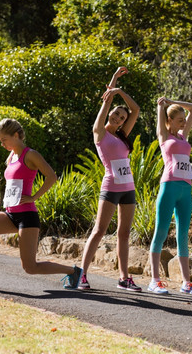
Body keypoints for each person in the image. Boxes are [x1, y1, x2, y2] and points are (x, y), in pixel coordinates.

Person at [0, 118, 82, 290]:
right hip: (10, 213)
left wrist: (34, 197)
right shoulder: (11, 156)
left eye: (4, 140)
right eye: (0, 141)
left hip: (27, 216)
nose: (2, 144)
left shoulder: (30, 154)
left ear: (16, 135)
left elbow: (52, 176)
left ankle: (73, 271)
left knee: (30, 267)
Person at [78, 67, 141, 291]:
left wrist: (121, 91)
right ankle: (81, 275)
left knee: (124, 233)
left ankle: (124, 278)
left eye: (121, 118)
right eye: (116, 114)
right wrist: (112, 84)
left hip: (128, 187)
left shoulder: (122, 135)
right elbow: (104, 109)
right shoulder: (100, 133)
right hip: (111, 186)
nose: (118, 118)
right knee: (99, 230)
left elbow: (136, 109)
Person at [147, 97, 192, 296]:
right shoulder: (164, 136)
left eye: (184, 120)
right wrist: (161, 106)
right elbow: (160, 114)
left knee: (183, 235)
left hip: (185, 189)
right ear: (169, 121)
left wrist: (172, 100)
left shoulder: (183, 136)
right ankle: (155, 280)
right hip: (169, 186)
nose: (184, 123)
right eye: (180, 120)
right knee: (160, 233)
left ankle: (187, 283)